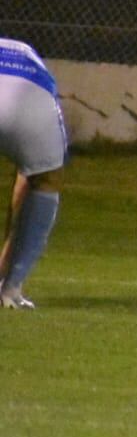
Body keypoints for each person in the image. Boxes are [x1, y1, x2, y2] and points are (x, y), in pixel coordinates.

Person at [0, 38, 67, 310]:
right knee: (46, 178)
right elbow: (28, 178)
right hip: (34, 106)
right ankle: (11, 287)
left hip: (31, 97)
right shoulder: (27, 52)